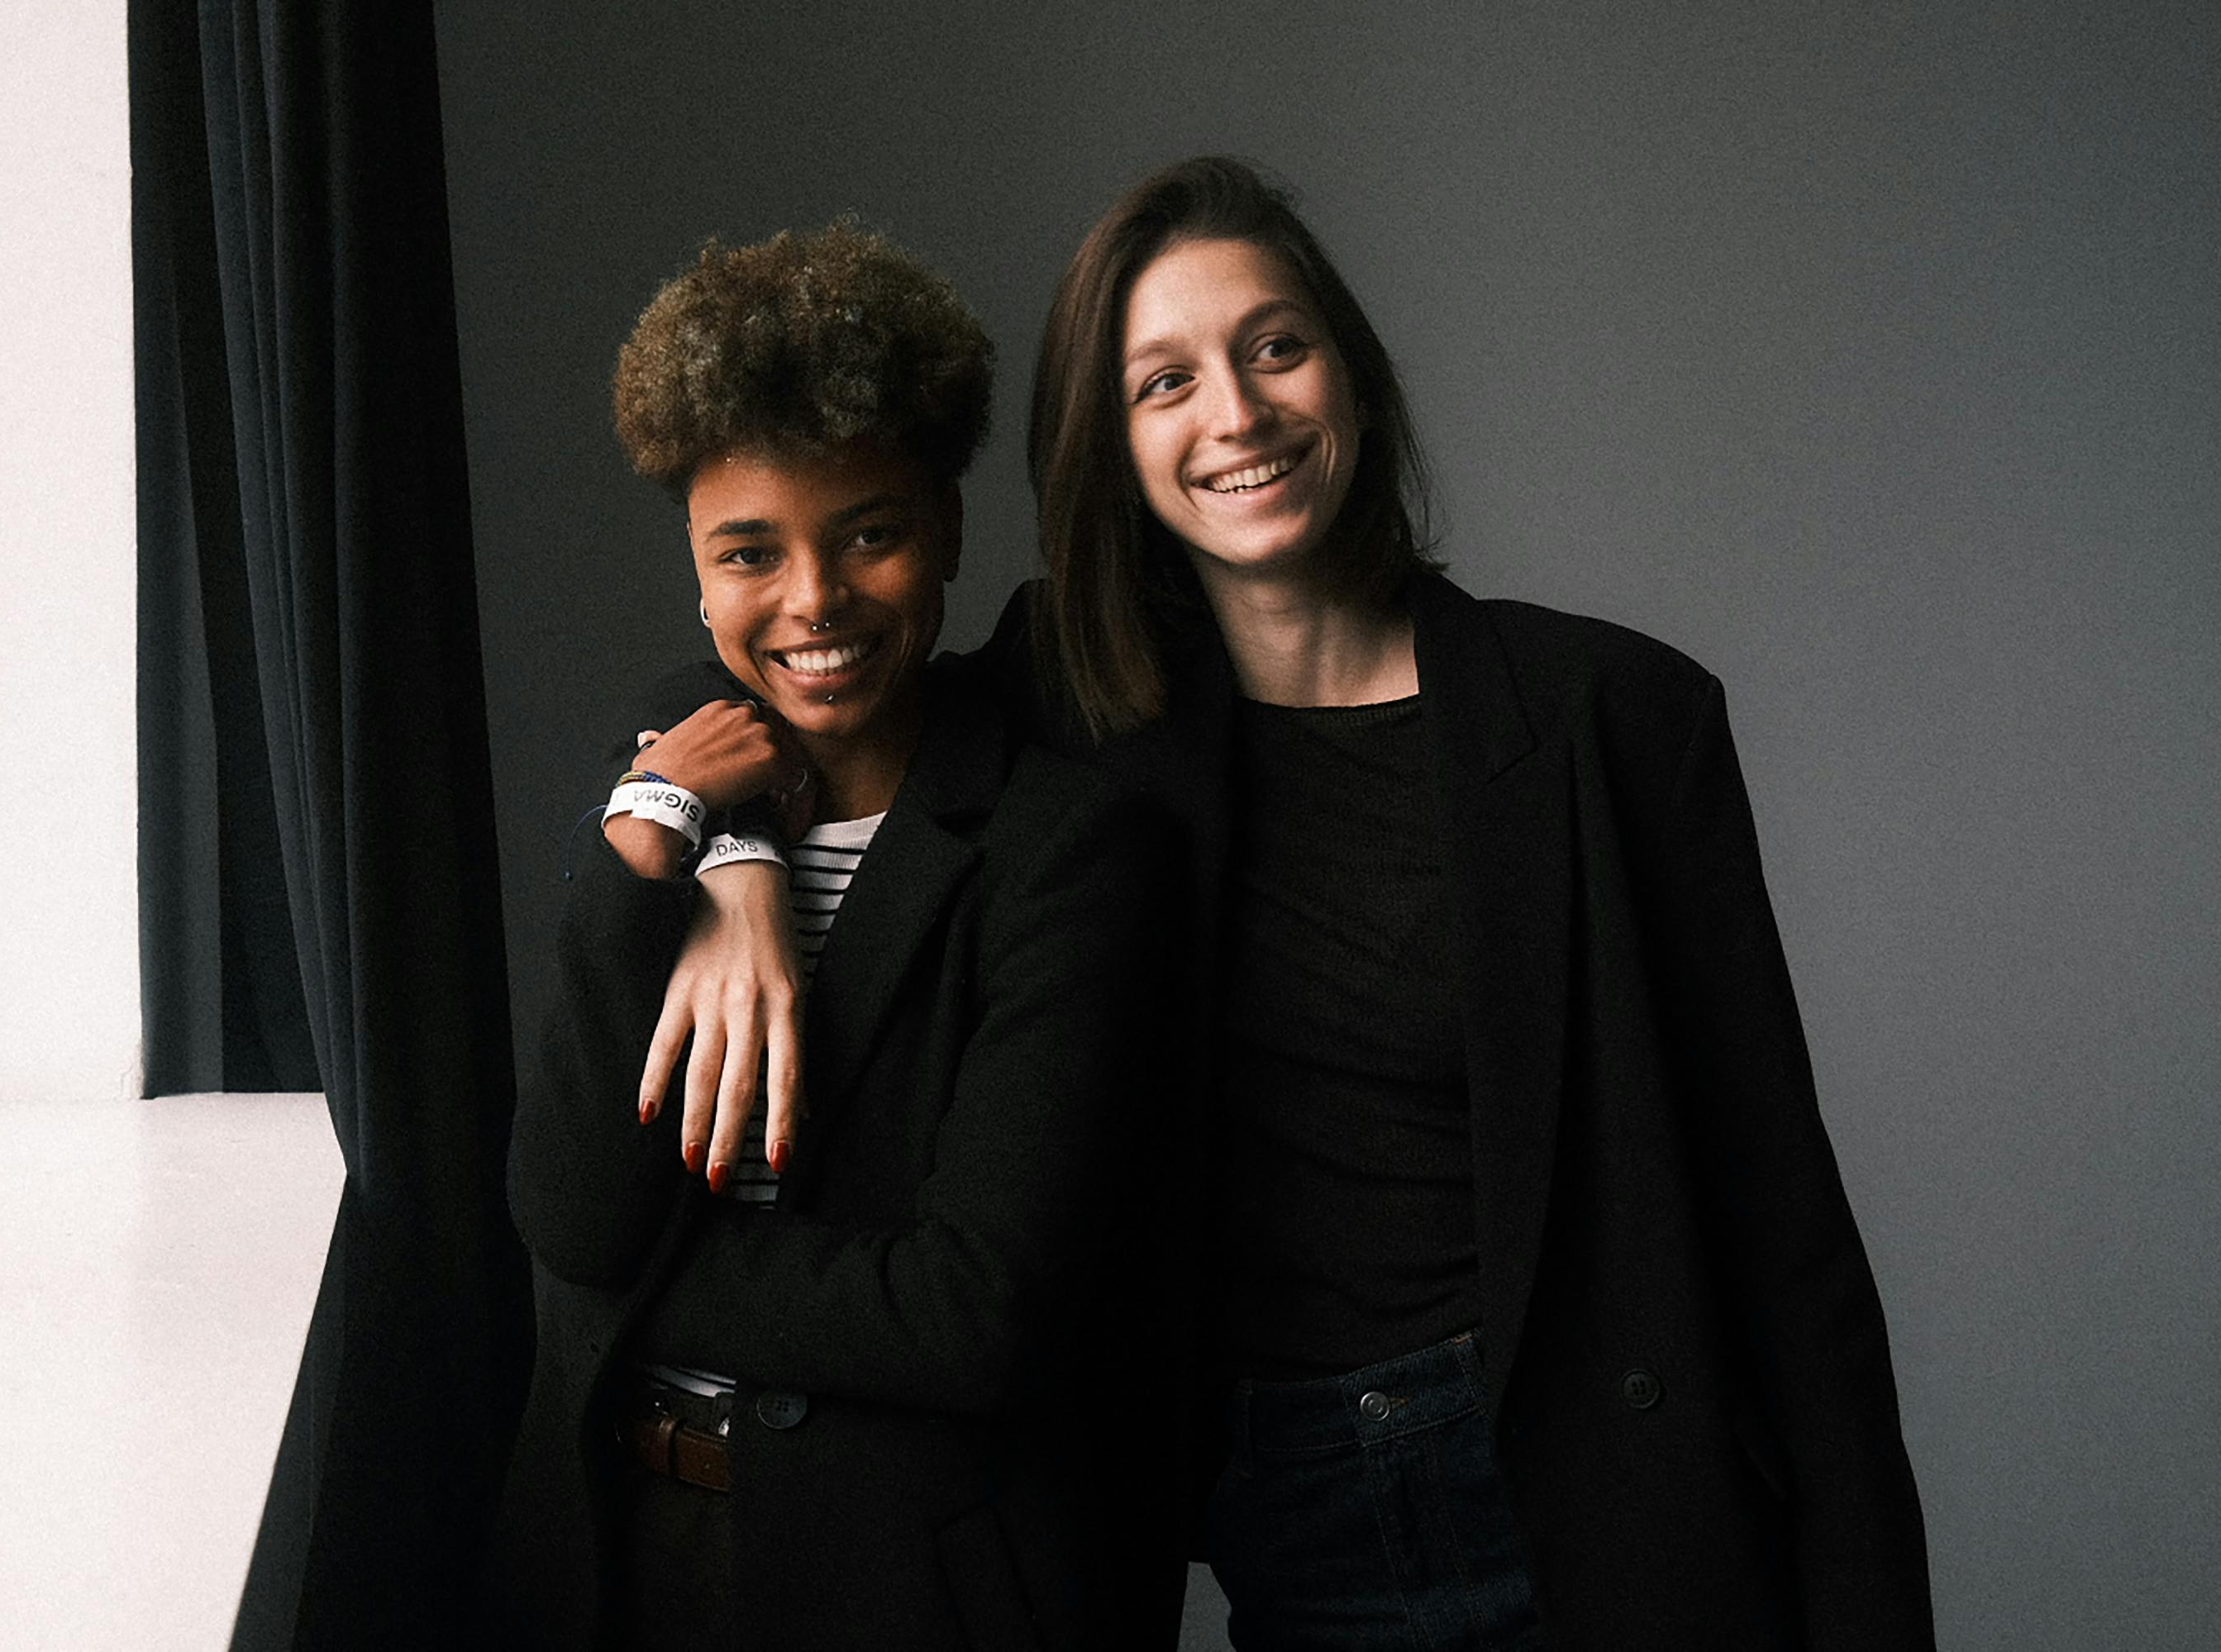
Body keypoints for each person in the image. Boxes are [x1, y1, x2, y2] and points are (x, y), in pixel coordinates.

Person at [644, 159, 1935, 1650]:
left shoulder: (1613, 717)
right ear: (1109, 445)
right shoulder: (1065, 719)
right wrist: (731, 858)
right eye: (1163, 382)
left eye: (1274, 348)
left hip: (1611, 1491)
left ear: (1350, 376)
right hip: (1292, 1501)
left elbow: (1786, 1226)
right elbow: (787, 658)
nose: (1237, 416)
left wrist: (1871, 1614)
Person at [482, 221, 1189, 1651]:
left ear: (943, 536)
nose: (812, 601)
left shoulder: (1063, 851)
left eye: (869, 533)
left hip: (907, 1583)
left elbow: (970, 1313)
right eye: (751, 553)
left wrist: (640, 1265)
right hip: (614, 1550)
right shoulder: (668, 811)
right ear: (698, 574)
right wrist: (661, 858)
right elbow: (561, 1194)